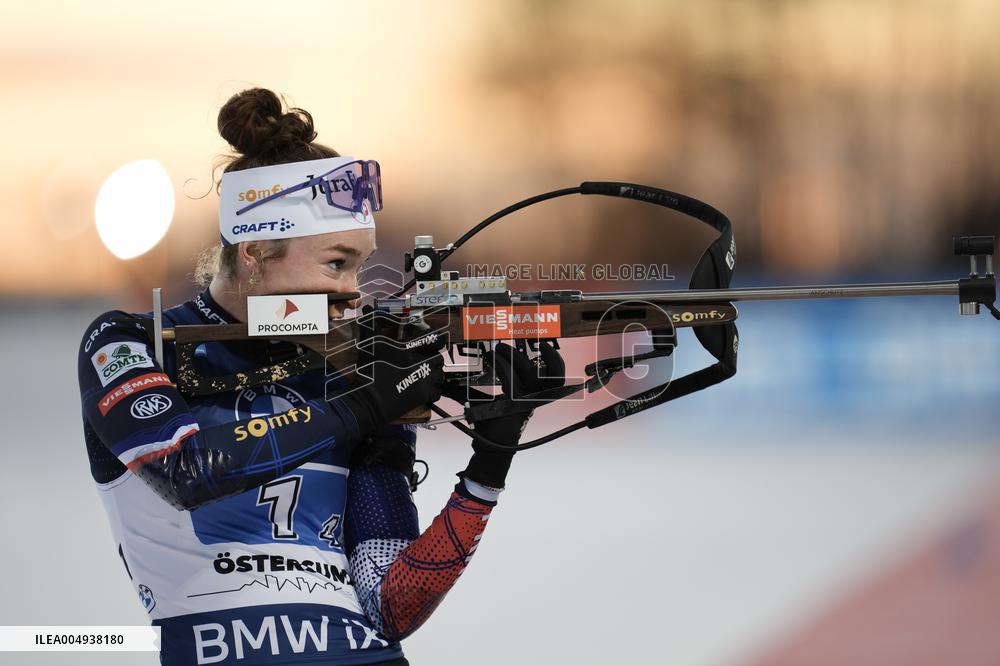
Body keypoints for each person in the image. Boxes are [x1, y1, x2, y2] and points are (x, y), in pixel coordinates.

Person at [76, 87, 564, 665]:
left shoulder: (353, 360)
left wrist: (492, 458)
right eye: (336, 262)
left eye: (359, 264)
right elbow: (187, 471)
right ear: (256, 249)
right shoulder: (133, 341)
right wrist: (361, 410)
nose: (353, 289)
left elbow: (390, 606)